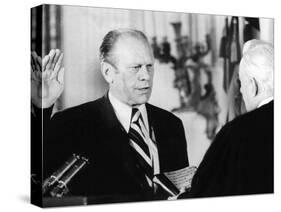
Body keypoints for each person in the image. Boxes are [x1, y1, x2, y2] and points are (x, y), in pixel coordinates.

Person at [31, 29, 189, 204]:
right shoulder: (72, 124)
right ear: (108, 72)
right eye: (135, 67)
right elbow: (36, 181)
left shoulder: (171, 124)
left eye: (149, 66)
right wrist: (42, 108)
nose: (146, 77)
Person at [189, 39, 273, 197]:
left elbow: (202, 193)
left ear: (252, 85)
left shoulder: (236, 132)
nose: (240, 90)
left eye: (241, 83)